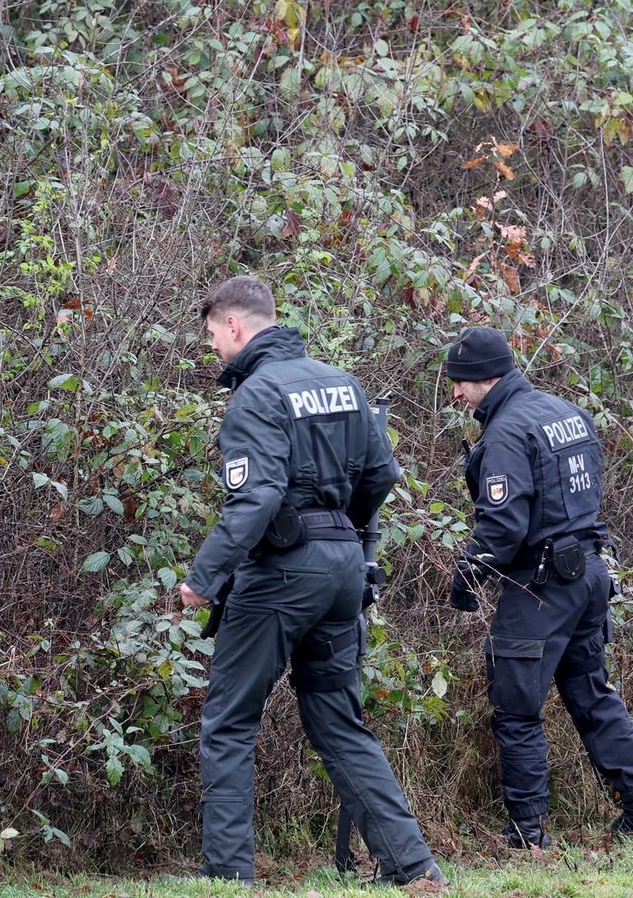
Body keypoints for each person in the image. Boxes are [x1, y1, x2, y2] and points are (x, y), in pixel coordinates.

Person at [178, 276, 444, 886]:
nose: (216, 348)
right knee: (336, 720)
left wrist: (204, 577)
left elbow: (257, 498)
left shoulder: (257, 394)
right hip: (343, 568)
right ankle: (412, 865)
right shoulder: (342, 384)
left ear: (235, 326)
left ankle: (227, 873)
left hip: (280, 576)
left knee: (229, 718)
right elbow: (382, 474)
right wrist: (340, 535)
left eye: (215, 335)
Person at [442, 326, 633, 848]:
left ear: (486, 377)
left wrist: (468, 574)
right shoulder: (566, 412)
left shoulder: (505, 432)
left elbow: (502, 524)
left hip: (539, 585)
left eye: (460, 382)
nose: (455, 393)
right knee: (592, 692)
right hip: (589, 573)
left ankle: (526, 832)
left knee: (517, 705)